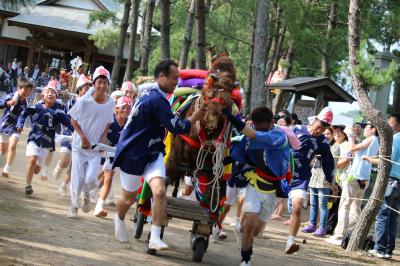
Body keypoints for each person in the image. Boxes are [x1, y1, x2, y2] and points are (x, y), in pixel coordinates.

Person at [112, 60, 203, 250]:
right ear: (161, 77)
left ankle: (154, 236)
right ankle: (119, 217)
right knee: (128, 199)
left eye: (178, 79)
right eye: (174, 78)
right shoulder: (155, 99)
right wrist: (195, 116)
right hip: (134, 153)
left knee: (160, 191)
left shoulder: (155, 93)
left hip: (153, 152)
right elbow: (176, 127)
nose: (176, 83)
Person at [222, 106, 291, 266]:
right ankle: (246, 259)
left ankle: (244, 232)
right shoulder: (256, 129)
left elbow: (252, 135)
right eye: (256, 125)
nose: (258, 129)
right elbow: (244, 147)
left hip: (274, 189)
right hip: (256, 182)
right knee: (249, 225)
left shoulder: (278, 135)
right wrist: (229, 159)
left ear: (271, 122)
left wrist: (231, 118)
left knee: (255, 232)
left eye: (261, 127)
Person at [286, 107, 337, 254]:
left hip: (301, 176)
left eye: (324, 129)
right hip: (283, 172)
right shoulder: (296, 129)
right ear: (314, 120)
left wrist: (330, 181)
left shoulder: (323, 142)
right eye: (319, 126)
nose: (320, 131)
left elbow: (328, 161)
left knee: (297, 207)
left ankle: (290, 242)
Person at [67, 66, 115, 218]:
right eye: (99, 82)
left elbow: (108, 121)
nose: (102, 86)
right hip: (79, 146)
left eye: (105, 82)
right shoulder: (85, 100)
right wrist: (83, 137)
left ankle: (86, 194)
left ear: (108, 84)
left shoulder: (111, 102)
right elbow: (73, 120)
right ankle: (73, 206)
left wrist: (103, 137)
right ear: (94, 83)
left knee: (90, 179)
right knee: (78, 177)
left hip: (95, 148)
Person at [326, 121, 379, 245]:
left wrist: (350, 136)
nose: (364, 128)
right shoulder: (374, 141)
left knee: (344, 205)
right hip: (364, 177)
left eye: (366, 126)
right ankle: (350, 234)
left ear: (373, 129)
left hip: (355, 176)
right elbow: (356, 152)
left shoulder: (371, 138)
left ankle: (339, 236)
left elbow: (352, 148)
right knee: (355, 207)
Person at [16, 86, 73, 196]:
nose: (50, 94)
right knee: (32, 160)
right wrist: (20, 124)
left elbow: (70, 124)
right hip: (33, 138)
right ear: (43, 95)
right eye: (48, 92)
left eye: (53, 92)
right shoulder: (36, 107)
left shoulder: (58, 112)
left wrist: (78, 134)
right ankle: (28, 185)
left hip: (46, 144)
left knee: (36, 168)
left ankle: (36, 168)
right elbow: (23, 114)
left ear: (56, 97)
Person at [363, 114, 400, 259]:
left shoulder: (395, 139)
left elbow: (387, 160)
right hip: (399, 183)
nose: (388, 126)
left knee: (383, 215)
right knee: (392, 217)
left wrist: (369, 159)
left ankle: (380, 249)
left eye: (391, 123)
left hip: (391, 181)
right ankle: (388, 250)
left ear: (397, 125)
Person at [93, 96, 131, 217]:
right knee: (102, 177)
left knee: (108, 177)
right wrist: (101, 148)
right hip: (101, 151)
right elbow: (102, 135)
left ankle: (99, 206)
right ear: (116, 109)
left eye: (128, 108)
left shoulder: (130, 124)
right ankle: (92, 191)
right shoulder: (109, 120)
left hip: (115, 154)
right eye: (123, 107)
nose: (126, 110)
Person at [53, 74, 91, 195]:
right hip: (69, 134)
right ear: (79, 88)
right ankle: (59, 166)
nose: (88, 90)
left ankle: (64, 185)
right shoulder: (71, 102)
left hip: (81, 137)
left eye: (90, 88)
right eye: (86, 88)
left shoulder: (91, 104)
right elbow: (65, 118)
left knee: (75, 164)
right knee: (65, 161)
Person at [302, 128, 335, 237]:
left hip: (324, 178)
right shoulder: (314, 145)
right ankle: (312, 224)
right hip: (313, 176)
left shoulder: (333, 148)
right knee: (313, 203)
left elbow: (331, 163)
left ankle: (322, 227)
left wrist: (330, 180)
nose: (326, 136)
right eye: (324, 133)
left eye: (329, 134)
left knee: (323, 204)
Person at [0, 78, 33, 177]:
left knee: (12, 145)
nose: (25, 96)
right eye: (24, 93)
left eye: (28, 94)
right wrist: (7, 103)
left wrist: (19, 125)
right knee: (3, 151)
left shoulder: (26, 103)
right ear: (19, 88)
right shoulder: (10, 96)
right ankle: (2, 165)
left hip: (15, 127)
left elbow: (22, 116)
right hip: (4, 126)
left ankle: (7, 168)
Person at [326, 125, 351, 235]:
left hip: (342, 179)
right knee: (331, 203)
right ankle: (328, 225)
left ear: (344, 134)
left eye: (339, 132)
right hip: (334, 177)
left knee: (336, 204)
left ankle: (330, 227)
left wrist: (331, 165)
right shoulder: (335, 144)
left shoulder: (345, 145)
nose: (336, 134)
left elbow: (346, 160)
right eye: (335, 132)